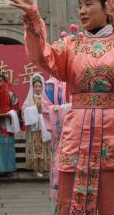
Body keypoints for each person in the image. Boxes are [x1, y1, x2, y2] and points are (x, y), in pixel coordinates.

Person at [4, 0, 114, 214]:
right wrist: (32, 19)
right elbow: (40, 57)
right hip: (78, 133)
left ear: (109, 8)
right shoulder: (71, 45)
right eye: (80, 6)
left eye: (88, 5)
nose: (81, 11)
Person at [42, 75, 70, 210]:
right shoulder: (50, 85)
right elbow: (46, 109)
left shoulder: (81, 77)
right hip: (61, 141)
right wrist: (72, 109)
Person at [22, 74, 51, 177]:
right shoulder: (30, 99)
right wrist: (33, 110)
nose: (38, 88)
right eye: (36, 86)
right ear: (32, 87)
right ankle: (35, 168)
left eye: (40, 86)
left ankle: (42, 167)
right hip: (34, 128)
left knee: (43, 146)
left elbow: (49, 110)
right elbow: (23, 111)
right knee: (34, 146)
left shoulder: (46, 99)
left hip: (43, 126)